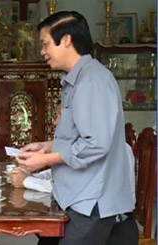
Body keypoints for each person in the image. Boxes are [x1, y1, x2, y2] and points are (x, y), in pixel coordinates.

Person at [16, 11, 138, 245]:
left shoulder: (92, 81)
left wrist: (46, 160)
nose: (42, 52)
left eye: (45, 44)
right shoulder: (76, 80)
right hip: (77, 197)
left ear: (67, 40)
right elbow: (80, 135)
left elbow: (96, 144)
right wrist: (45, 146)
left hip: (91, 202)